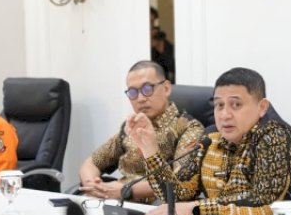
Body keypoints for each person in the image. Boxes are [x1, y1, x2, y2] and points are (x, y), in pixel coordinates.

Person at [127, 67, 291, 215]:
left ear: (262, 107)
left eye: (236, 105)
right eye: (219, 105)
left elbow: (262, 204)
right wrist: (150, 150)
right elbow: (178, 195)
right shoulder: (210, 137)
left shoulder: (277, 136)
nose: (225, 115)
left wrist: (194, 209)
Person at [78, 61, 204, 202]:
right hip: (118, 203)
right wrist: (94, 187)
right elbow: (92, 162)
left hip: (158, 208)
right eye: (133, 92)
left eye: (147, 89)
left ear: (166, 88)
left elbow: (180, 182)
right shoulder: (131, 126)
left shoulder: (188, 128)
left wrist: (126, 190)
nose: (140, 98)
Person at [149, 6, 175, 84]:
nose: (150, 25)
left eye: (152, 21)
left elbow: (172, 67)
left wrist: (161, 51)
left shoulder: (160, 41)